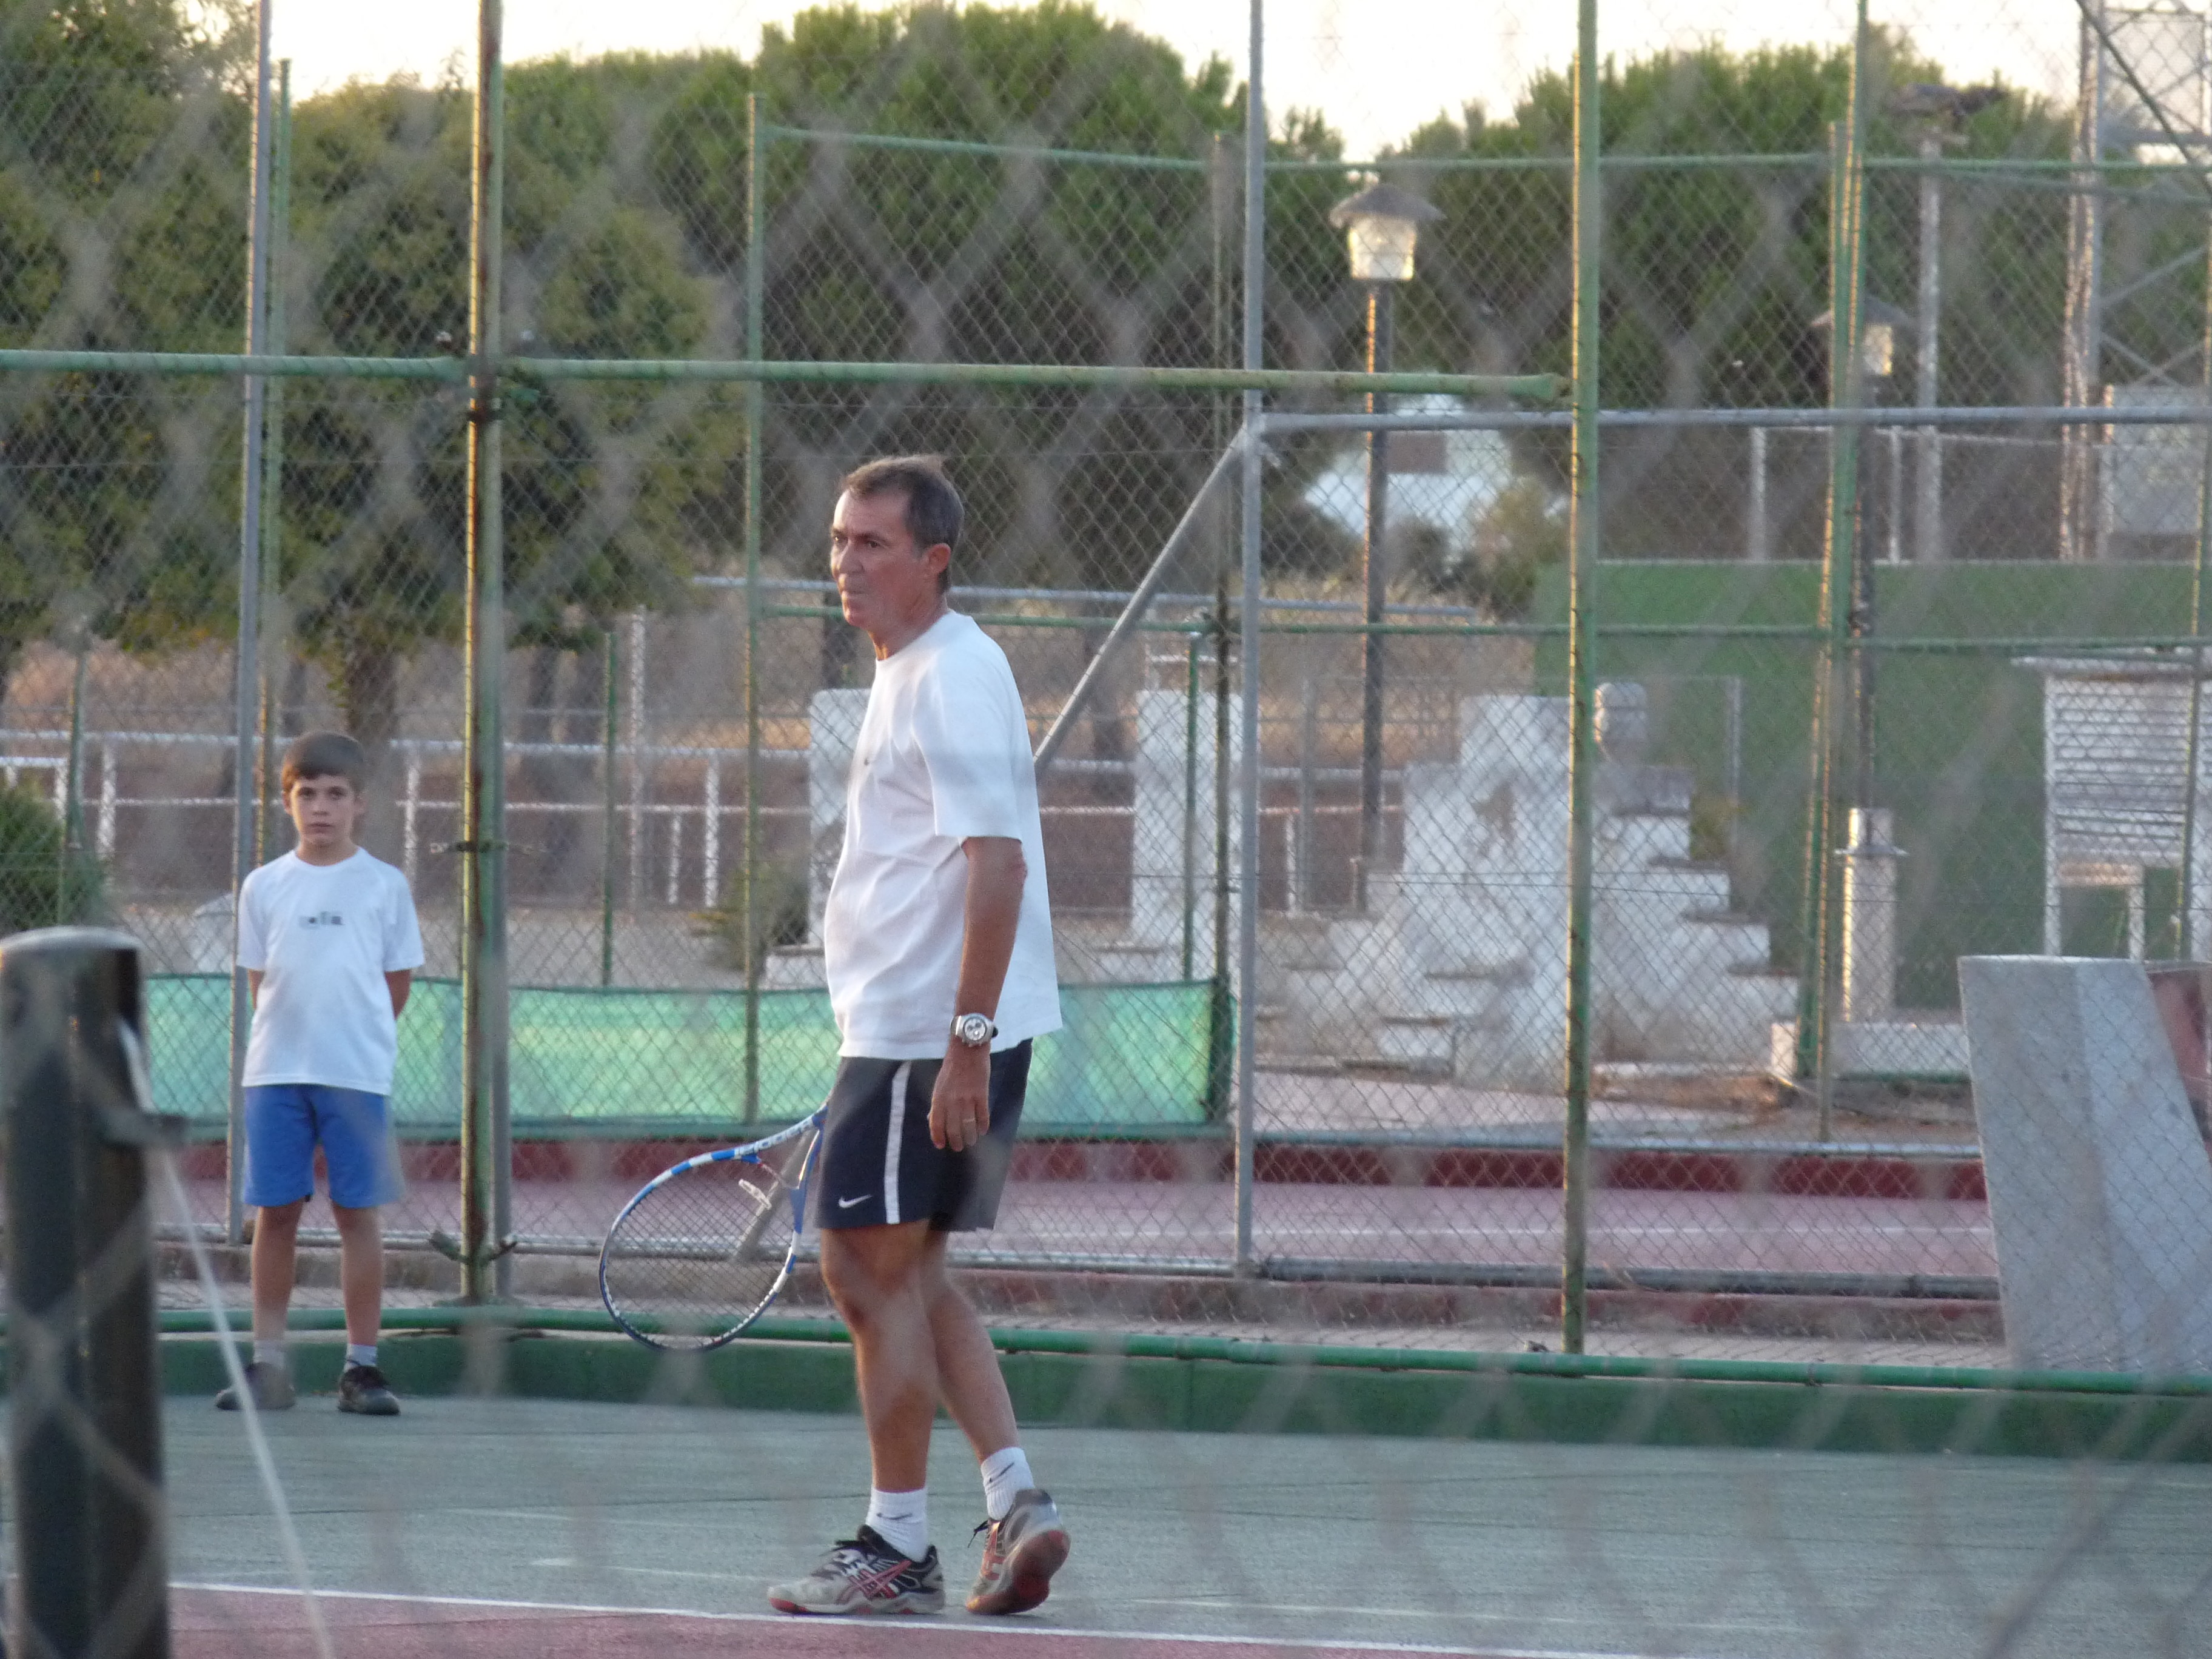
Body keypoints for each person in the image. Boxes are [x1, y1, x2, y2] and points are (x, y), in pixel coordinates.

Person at [766, 456, 1071, 1618]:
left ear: (933, 561)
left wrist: (964, 1044)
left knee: (861, 1270)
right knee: (908, 1272)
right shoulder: (914, 672)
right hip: (903, 1032)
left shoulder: (953, 673)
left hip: (927, 1037)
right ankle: (1016, 1501)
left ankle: (895, 1547)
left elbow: (998, 865)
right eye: (839, 542)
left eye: (873, 545)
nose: (845, 563)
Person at [215, 730, 424, 1418]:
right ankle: (269, 1366)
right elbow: (261, 983)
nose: (322, 807)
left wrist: (350, 1041)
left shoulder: (384, 886)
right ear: (288, 802)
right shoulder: (263, 886)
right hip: (275, 1074)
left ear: (360, 804)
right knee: (274, 1215)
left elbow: (395, 985)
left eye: (336, 794)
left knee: (356, 1215)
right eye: (307, 794)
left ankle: (361, 1368)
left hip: (357, 1078)